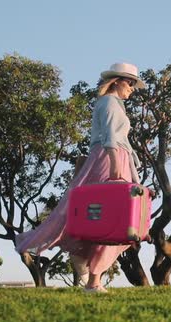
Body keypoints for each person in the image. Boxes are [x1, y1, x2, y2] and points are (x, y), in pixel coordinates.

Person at [15, 62, 146, 293]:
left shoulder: (112, 103)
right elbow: (111, 138)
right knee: (114, 218)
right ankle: (92, 278)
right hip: (110, 159)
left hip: (113, 158)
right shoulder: (109, 102)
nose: (132, 88)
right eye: (130, 82)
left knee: (103, 217)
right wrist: (116, 170)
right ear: (117, 81)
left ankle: (86, 268)